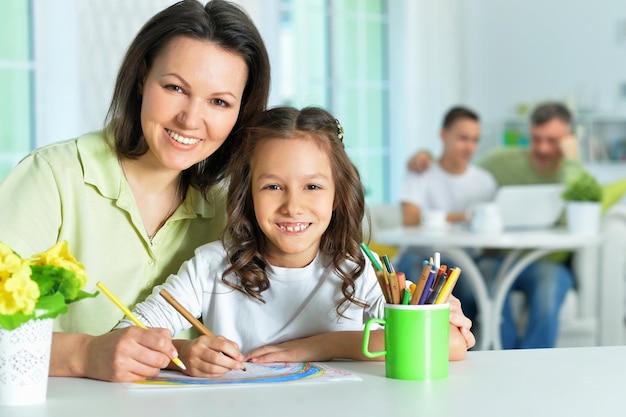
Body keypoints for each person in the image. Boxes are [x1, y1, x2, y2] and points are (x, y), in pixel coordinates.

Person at [0, 0, 271, 381]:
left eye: (219, 102)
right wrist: (84, 354)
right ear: (142, 78)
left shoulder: (229, 210)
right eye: (175, 87)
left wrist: (179, 353)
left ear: (240, 113)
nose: (191, 119)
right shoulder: (52, 178)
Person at [115, 106, 476, 377]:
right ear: (247, 194)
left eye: (313, 187)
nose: (292, 206)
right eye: (273, 186)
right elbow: (125, 336)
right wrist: (183, 352)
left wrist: (319, 345)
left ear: (337, 195)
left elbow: (452, 343)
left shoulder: (357, 269)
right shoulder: (212, 266)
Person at [406, 101, 585, 349]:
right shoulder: (501, 163)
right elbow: (457, 169)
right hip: (499, 259)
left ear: (568, 139)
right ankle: (503, 354)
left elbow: (584, 212)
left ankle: (533, 363)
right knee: (487, 280)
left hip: (545, 262)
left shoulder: (575, 174)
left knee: (548, 289)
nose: (543, 147)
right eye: (536, 138)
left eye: (552, 141)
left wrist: (573, 160)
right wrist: (424, 155)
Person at [396, 106, 497, 324]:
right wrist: (462, 216)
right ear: (444, 135)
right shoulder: (421, 173)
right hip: (421, 257)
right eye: (463, 138)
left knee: (472, 293)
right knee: (419, 279)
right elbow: (410, 221)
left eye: (475, 140)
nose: (469, 147)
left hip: (465, 260)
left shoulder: (485, 181)